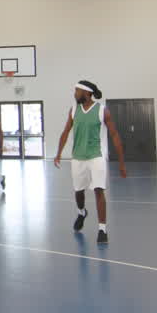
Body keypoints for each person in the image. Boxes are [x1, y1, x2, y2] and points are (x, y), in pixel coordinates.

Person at [54, 80, 127, 244]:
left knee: (99, 190)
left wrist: (121, 163)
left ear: (87, 93)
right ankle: (81, 212)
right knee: (79, 192)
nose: (74, 94)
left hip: (96, 156)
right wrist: (58, 153)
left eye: (77, 91)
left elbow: (114, 135)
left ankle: (102, 229)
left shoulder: (102, 111)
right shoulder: (73, 110)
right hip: (78, 157)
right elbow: (66, 132)